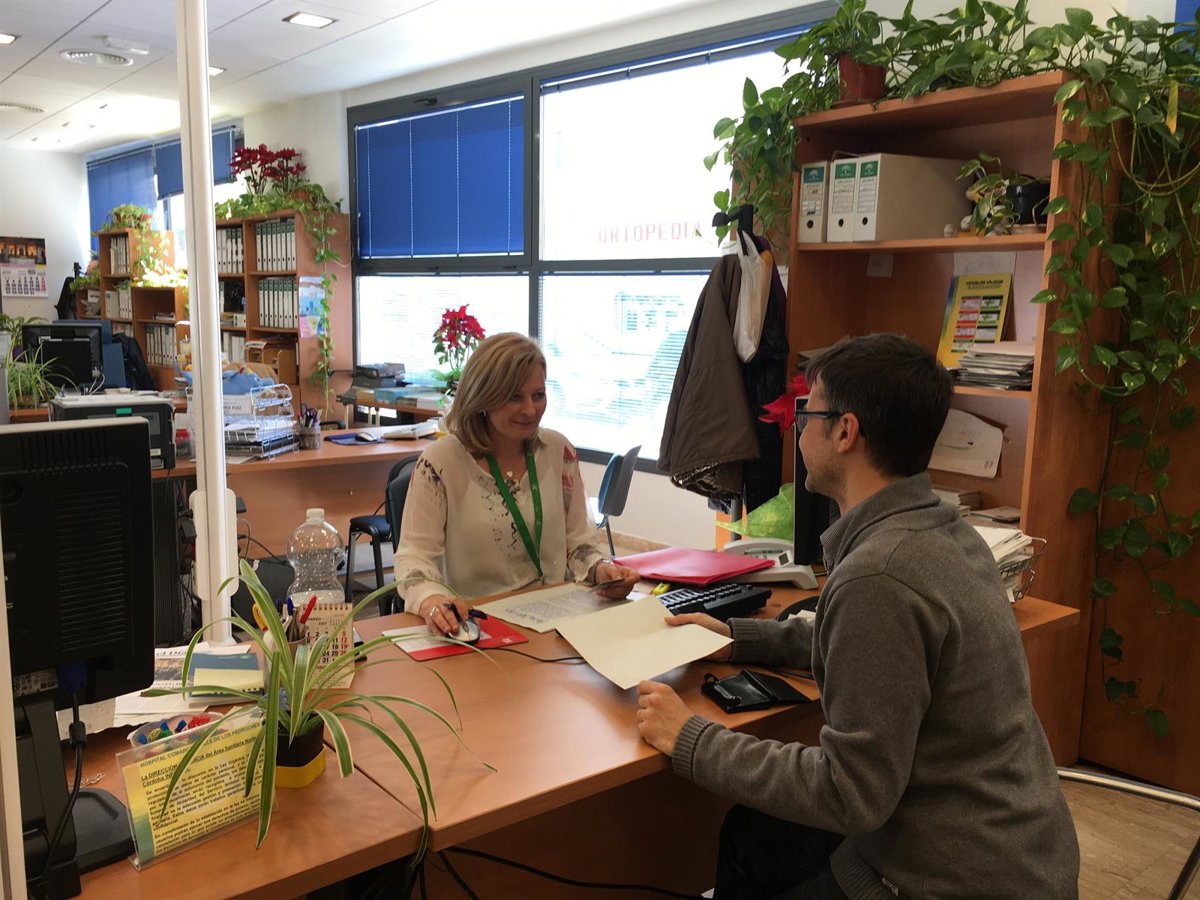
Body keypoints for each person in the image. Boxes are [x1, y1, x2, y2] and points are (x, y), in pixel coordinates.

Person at [636, 333, 1079, 899]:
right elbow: (883, 650)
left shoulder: (879, 575)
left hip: (946, 879)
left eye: (807, 414)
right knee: (753, 836)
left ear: (845, 432)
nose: (797, 430)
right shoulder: (946, 532)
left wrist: (692, 739)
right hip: (1011, 850)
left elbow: (849, 793)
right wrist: (740, 639)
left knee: (762, 841)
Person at [394, 332, 640, 636]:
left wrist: (602, 570)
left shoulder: (558, 451)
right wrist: (431, 601)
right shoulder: (440, 462)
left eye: (538, 395)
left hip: (553, 618)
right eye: (514, 397)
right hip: (478, 622)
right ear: (483, 397)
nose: (530, 410)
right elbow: (414, 558)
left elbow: (579, 544)